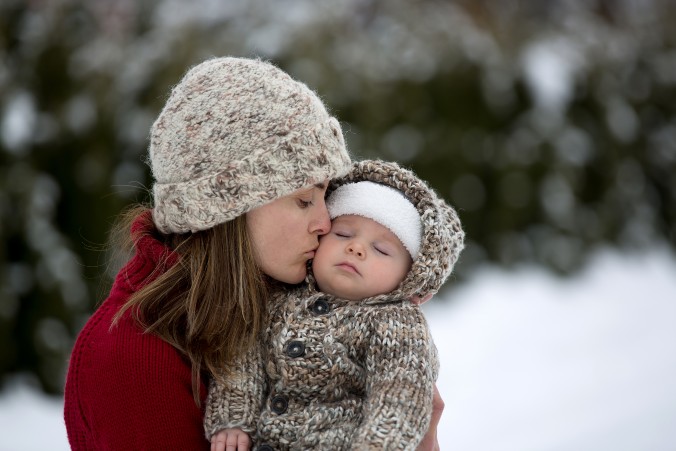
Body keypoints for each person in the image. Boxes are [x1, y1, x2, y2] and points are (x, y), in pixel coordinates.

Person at [63, 57, 444, 450]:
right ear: (227, 207)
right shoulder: (133, 360)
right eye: (302, 200)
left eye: (324, 195)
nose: (325, 223)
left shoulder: (266, 301)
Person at [205, 159, 465, 451]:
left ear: (408, 278)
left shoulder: (396, 322)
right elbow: (243, 358)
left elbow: (399, 397)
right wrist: (234, 417)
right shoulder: (278, 299)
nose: (356, 248)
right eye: (342, 234)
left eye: (381, 249)